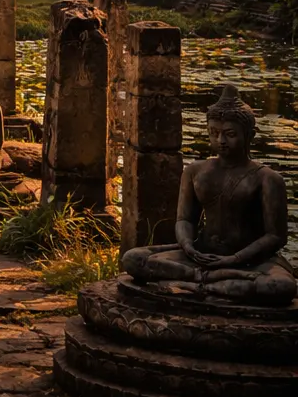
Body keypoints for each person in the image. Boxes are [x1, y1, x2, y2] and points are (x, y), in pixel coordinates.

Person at [120, 86, 295, 304]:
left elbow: (275, 237)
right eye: (214, 133)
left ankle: (190, 285)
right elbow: (185, 219)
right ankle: (211, 284)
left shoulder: (267, 178)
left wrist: (234, 258)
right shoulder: (195, 171)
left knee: (280, 286)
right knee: (133, 259)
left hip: (249, 261)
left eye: (230, 134)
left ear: (250, 135)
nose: (221, 140)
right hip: (202, 255)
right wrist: (188, 246)